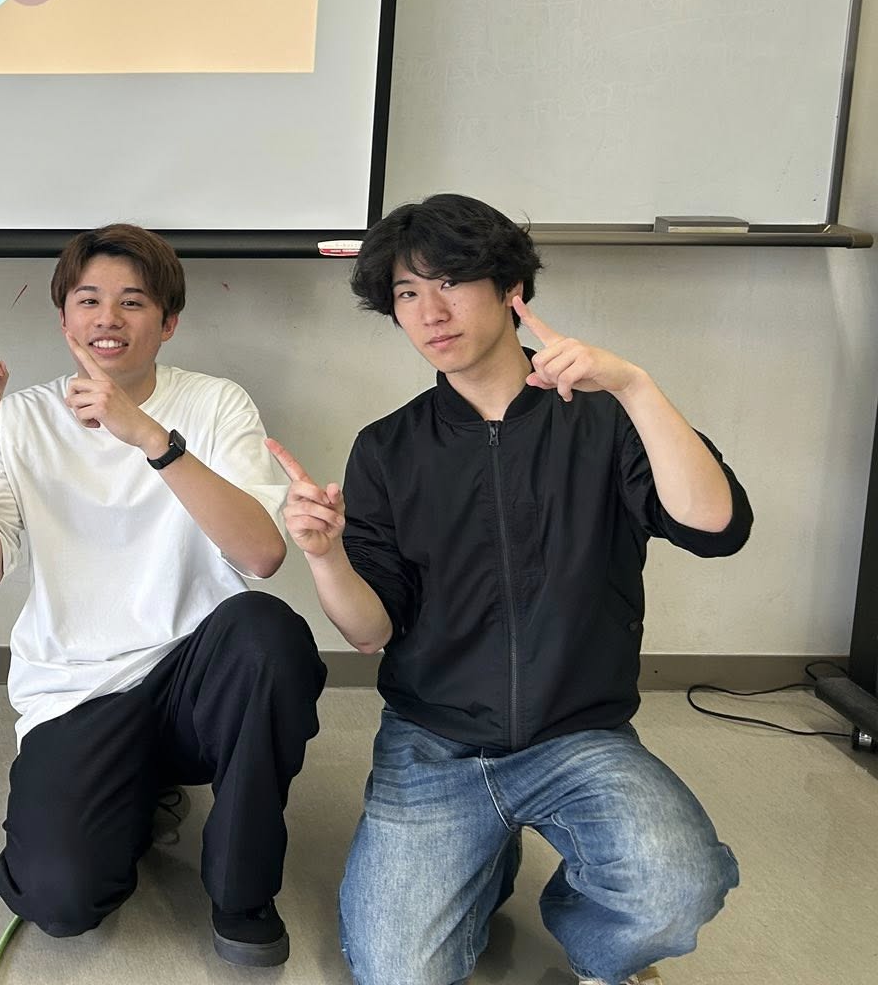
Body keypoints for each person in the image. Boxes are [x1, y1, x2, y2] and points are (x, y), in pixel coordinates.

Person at [274, 193, 748, 985]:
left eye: (450, 281)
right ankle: (483, 861)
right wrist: (324, 557)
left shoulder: (606, 418)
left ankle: (590, 939)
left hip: (578, 733)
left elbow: (716, 528)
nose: (431, 312)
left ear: (510, 288)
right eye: (407, 294)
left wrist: (635, 386)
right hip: (434, 742)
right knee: (396, 972)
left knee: (675, 892)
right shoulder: (388, 448)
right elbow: (370, 632)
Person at [0, 222, 324, 967]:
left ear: (168, 322)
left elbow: (262, 554)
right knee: (59, 899)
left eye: (133, 301)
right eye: (88, 300)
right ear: (64, 318)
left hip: (195, 678)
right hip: (78, 690)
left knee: (267, 631)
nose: (107, 318)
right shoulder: (18, 417)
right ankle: (134, 790)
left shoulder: (215, 403)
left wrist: (149, 436)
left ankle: (242, 893)